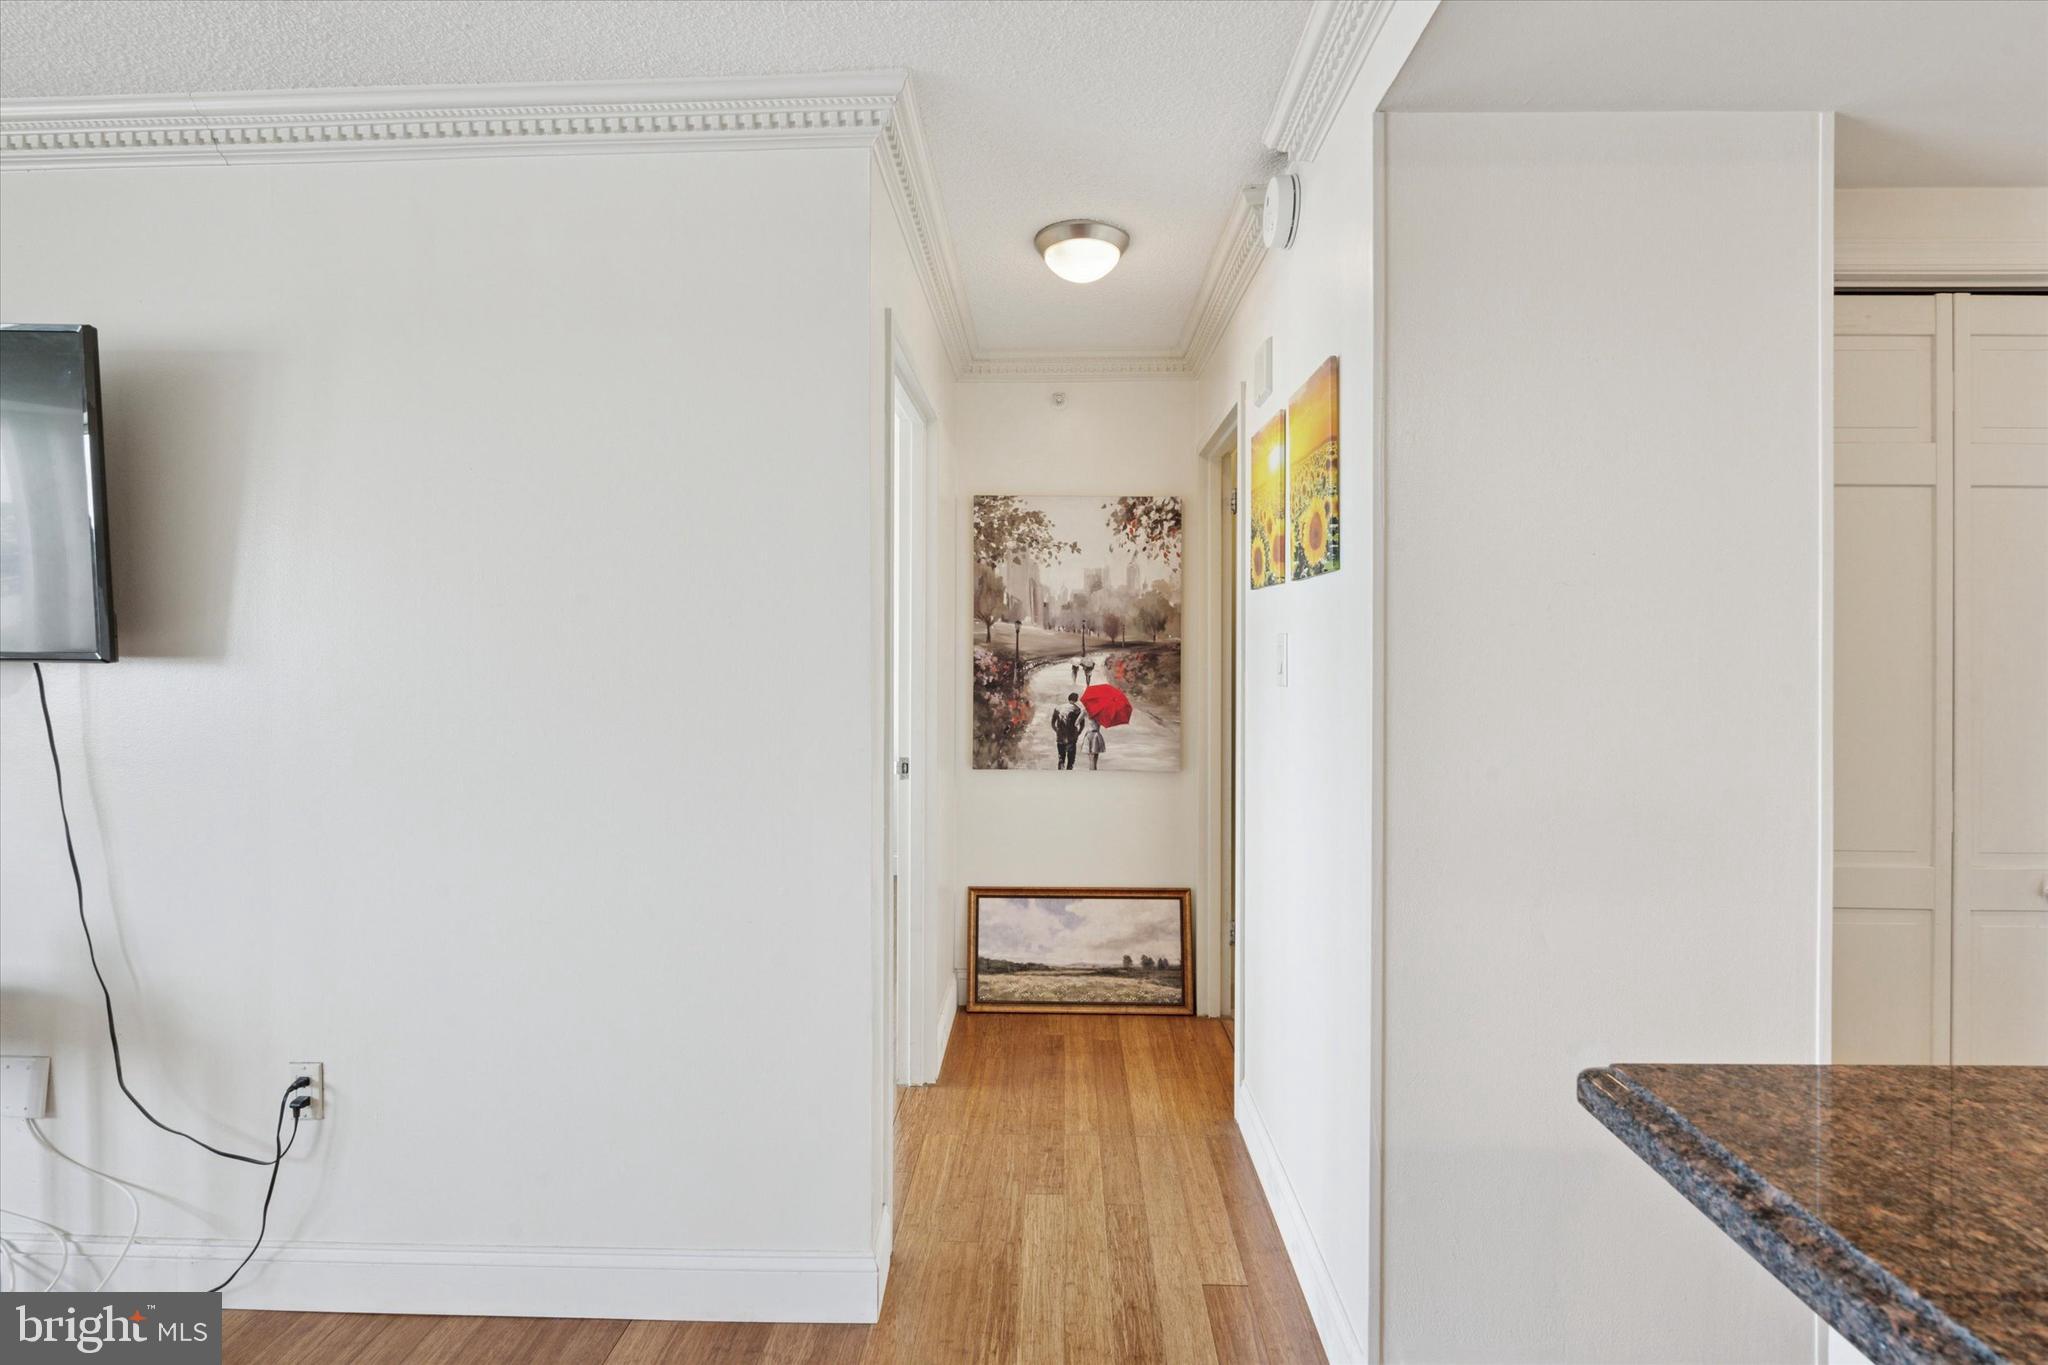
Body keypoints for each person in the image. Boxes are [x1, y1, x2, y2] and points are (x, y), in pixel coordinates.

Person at [1050, 693, 1085, 770]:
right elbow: (1082, 724)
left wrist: (1057, 730)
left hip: (1060, 735)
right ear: (1076, 700)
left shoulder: (1058, 708)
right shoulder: (1077, 710)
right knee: (1071, 759)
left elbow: (1053, 723)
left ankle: (1061, 769)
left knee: (1061, 756)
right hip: (1072, 736)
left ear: (1068, 698)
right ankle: (1069, 773)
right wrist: (1078, 733)